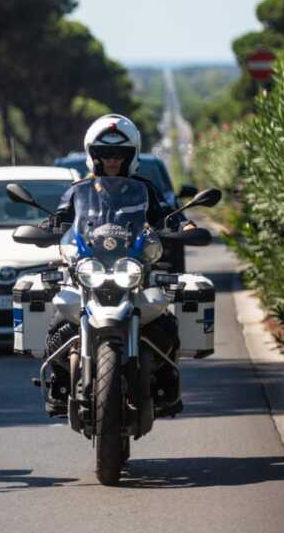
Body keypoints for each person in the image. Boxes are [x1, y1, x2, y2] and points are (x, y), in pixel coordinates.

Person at [43, 114, 185, 417]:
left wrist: (183, 226)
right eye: (105, 154)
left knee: (165, 323)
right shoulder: (78, 190)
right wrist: (47, 227)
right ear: (93, 155)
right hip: (89, 271)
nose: (111, 160)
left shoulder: (145, 190)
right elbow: (61, 217)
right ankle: (59, 381)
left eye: (118, 154)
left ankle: (166, 381)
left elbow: (166, 217)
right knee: (58, 322)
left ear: (130, 156)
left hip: (132, 270)